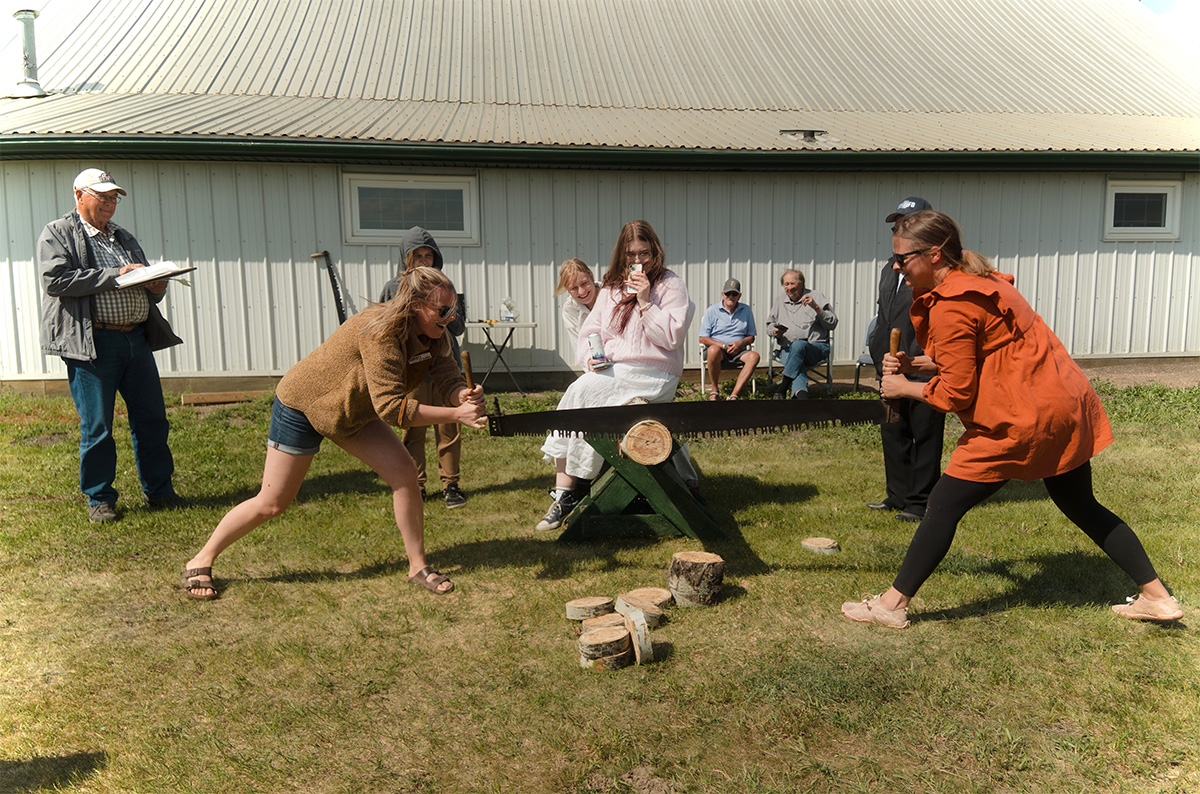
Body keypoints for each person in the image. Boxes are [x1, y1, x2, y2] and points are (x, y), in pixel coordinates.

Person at [842, 210, 1182, 628]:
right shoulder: (984, 281)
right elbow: (986, 352)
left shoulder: (952, 306)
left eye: (903, 258)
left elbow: (955, 393)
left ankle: (891, 606)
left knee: (943, 504)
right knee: (1081, 504)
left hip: (1019, 421)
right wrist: (923, 363)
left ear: (933, 254)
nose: (896, 266)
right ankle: (1158, 598)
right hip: (1062, 408)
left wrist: (903, 387)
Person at [182, 267, 486, 600]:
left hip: (351, 414)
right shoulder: (381, 331)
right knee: (272, 503)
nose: (449, 317)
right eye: (442, 310)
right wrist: (457, 414)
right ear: (415, 304)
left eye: (453, 309)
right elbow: (392, 409)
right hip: (304, 405)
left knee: (404, 474)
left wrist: (462, 396)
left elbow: (448, 378)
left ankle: (417, 567)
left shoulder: (437, 336)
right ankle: (202, 559)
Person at [38, 168, 186, 523]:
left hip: (135, 338)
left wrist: (156, 287)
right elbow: (56, 280)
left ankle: (160, 491)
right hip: (94, 343)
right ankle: (99, 499)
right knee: (98, 425)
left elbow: (144, 278)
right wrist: (117, 275)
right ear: (79, 196)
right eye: (102, 196)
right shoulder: (58, 232)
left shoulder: (122, 237)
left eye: (113, 197)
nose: (109, 203)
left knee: (152, 419)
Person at [536, 220, 695, 531]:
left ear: (656, 251)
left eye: (644, 253)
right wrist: (591, 358)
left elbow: (671, 339)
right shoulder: (610, 288)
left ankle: (574, 486)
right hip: (616, 371)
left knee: (584, 393)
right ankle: (565, 490)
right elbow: (590, 333)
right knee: (580, 389)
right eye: (631, 254)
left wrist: (646, 301)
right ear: (621, 255)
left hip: (654, 373)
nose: (638, 261)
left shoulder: (671, 286)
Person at [867, 197, 946, 523]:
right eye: (897, 223)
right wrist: (877, 350)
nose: (900, 227)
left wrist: (926, 360)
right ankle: (897, 495)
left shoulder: (933, 272)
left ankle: (920, 502)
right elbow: (884, 314)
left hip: (922, 365)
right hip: (890, 363)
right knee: (893, 430)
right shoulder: (891, 267)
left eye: (907, 221)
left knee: (925, 433)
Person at [379, 227, 470, 509]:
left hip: (443, 367)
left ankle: (451, 485)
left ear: (436, 258)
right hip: (411, 370)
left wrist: (447, 310)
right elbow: (383, 331)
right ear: (404, 258)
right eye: (415, 255)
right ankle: (417, 484)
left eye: (427, 255)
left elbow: (457, 327)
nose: (422, 260)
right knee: (412, 429)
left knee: (449, 427)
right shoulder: (392, 288)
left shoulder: (446, 287)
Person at [765, 269, 837, 399]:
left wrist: (816, 307)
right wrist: (775, 331)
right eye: (786, 284)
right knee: (798, 363)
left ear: (802, 283)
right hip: (788, 349)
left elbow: (832, 323)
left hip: (815, 348)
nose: (789, 288)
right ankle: (801, 398)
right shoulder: (780, 300)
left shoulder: (816, 296)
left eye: (792, 283)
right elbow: (769, 325)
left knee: (799, 345)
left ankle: (783, 388)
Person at [698, 277, 761, 400]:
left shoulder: (746, 310)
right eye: (728, 293)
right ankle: (715, 390)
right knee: (713, 350)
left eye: (734, 294)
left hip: (739, 350)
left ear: (739, 296)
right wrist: (723, 346)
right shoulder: (712, 311)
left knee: (755, 356)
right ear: (723, 294)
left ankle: (734, 395)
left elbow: (751, 337)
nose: (730, 296)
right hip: (718, 351)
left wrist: (740, 343)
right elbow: (702, 338)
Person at [555, 257, 599, 350]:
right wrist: (589, 361)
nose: (582, 292)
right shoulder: (569, 309)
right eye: (574, 288)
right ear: (567, 289)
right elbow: (580, 347)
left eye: (584, 283)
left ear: (591, 276)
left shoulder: (611, 294)